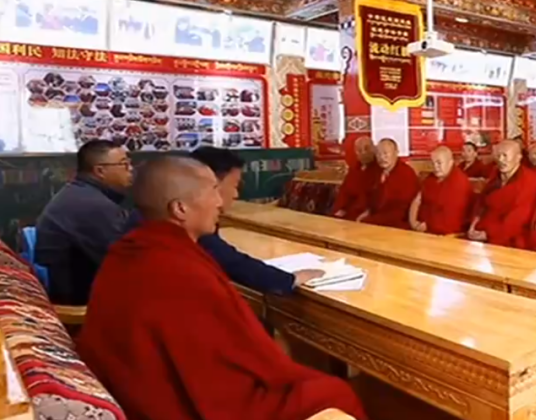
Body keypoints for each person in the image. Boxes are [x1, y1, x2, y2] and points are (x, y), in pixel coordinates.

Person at [78, 157, 366, 420]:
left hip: (129, 388)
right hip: (165, 404)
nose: (221, 202)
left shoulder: (131, 250)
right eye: (213, 190)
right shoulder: (178, 270)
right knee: (332, 392)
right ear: (180, 209)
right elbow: (230, 367)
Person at [187, 147, 323, 293]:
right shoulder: (194, 224)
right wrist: (288, 280)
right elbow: (231, 261)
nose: (236, 194)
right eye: (235, 185)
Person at [35, 140, 133, 305]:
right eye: (124, 164)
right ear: (100, 171)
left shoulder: (80, 193)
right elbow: (124, 261)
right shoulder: (93, 206)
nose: (131, 169)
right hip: (79, 299)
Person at [469, 140, 536, 247]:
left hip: (510, 235)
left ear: (518, 157)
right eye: (498, 156)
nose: (501, 160)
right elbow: (481, 203)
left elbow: (519, 217)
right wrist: (473, 224)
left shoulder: (529, 179)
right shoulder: (495, 173)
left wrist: (488, 234)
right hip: (483, 228)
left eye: (505, 156)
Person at [409, 146, 473, 235]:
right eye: (433, 163)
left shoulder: (459, 182)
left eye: (439, 163)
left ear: (450, 162)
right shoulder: (431, 178)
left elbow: (451, 217)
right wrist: (413, 222)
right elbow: (417, 200)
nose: (435, 167)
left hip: (446, 234)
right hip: (422, 228)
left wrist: (427, 225)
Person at [358, 139, 419, 228]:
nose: (382, 158)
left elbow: (402, 208)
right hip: (377, 217)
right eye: (378, 154)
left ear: (396, 153)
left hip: (398, 220)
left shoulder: (406, 173)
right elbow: (369, 197)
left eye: (385, 153)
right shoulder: (375, 171)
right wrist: (367, 212)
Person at [331, 136, 379, 220]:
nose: (364, 152)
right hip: (350, 212)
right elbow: (344, 192)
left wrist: (368, 212)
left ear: (374, 149)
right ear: (356, 152)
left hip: (367, 213)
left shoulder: (380, 169)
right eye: (359, 150)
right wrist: (341, 209)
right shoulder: (354, 170)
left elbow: (378, 198)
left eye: (367, 148)